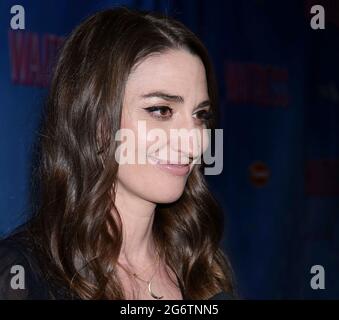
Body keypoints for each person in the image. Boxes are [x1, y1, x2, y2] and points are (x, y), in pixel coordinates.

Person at [0, 6, 237, 300]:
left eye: (200, 115)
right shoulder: (23, 274)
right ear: (97, 123)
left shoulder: (200, 265)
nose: (195, 142)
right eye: (161, 110)